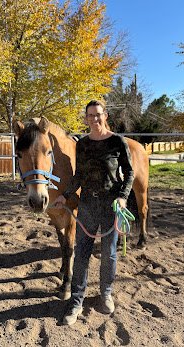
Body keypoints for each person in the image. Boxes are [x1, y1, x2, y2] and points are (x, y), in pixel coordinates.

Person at [54, 99, 134, 326]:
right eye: (90, 115)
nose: (94, 119)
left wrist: (123, 197)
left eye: (98, 114)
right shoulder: (83, 144)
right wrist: (66, 195)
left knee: (109, 254)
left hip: (111, 205)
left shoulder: (117, 142)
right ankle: (77, 301)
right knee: (81, 255)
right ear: (86, 118)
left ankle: (105, 293)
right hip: (88, 204)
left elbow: (129, 172)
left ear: (105, 115)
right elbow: (78, 175)